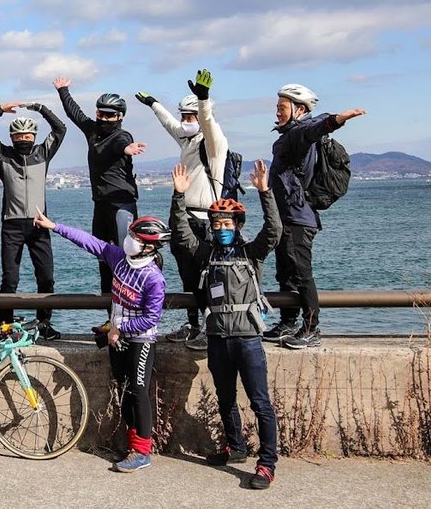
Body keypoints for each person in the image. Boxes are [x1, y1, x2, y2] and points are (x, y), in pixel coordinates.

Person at [170, 161, 281, 490]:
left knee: (260, 402)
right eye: (217, 222)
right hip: (218, 339)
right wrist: (178, 196)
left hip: (247, 339)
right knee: (225, 398)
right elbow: (182, 233)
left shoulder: (251, 253)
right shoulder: (205, 254)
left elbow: (273, 231)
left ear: (237, 223)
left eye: (227, 222)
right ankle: (235, 447)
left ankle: (267, 463)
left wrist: (265, 192)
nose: (221, 226)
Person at [34, 208, 169, 473]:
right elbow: (89, 242)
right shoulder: (119, 259)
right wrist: (54, 226)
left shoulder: (154, 278)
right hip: (116, 336)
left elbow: (152, 318)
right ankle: (132, 443)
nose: (129, 240)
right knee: (125, 390)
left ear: (148, 247)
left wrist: (122, 328)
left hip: (140, 341)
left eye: (136, 238)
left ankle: (143, 451)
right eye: (130, 235)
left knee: (139, 393)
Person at [263, 84, 366, 350]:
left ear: (299, 110)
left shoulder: (299, 133)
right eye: (277, 107)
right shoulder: (288, 134)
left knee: (301, 273)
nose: (277, 112)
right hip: (286, 216)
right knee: (285, 274)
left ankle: (311, 328)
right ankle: (288, 322)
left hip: (299, 217)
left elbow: (315, 128)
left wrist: (338, 120)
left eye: (282, 108)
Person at [136, 69, 227, 351]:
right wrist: (153, 103)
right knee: (187, 276)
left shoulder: (213, 144)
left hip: (203, 219)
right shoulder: (187, 140)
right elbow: (169, 124)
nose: (185, 122)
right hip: (182, 216)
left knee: (205, 277)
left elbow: (208, 123)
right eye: (184, 117)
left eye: (190, 118)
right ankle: (194, 324)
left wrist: (204, 100)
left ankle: (210, 328)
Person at [54, 76, 146, 334]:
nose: (104, 118)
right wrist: (63, 90)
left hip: (122, 205)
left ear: (119, 117)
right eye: (100, 113)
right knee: (103, 259)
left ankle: (133, 318)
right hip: (101, 205)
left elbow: (121, 144)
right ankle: (113, 318)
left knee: (128, 259)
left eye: (109, 115)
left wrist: (127, 149)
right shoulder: (93, 131)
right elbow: (75, 114)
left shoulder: (122, 135)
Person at [0, 101, 66, 340]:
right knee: (10, 279)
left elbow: (60, 129)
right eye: (18, 135)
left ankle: (44, 323)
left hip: (39, 224)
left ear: (34, 136)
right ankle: (5, 327)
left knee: (46, 277)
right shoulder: (3, 154)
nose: (22, 138)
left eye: (27, 134)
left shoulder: (43, 153)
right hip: (12, 225)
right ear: (12, 137)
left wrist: (40, 108)